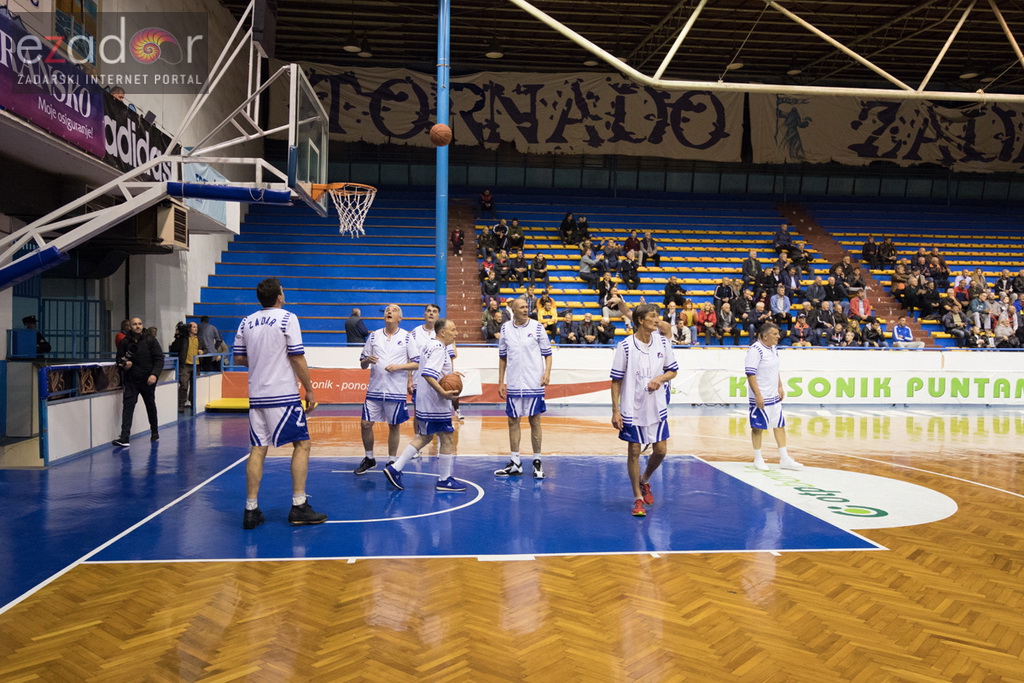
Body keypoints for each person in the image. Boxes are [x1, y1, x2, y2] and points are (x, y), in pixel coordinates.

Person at [232, 278, 324, 528]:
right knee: (302, 444)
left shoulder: (246, 321)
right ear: (279, 296)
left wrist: (261, 362)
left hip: (257, 395)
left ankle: (250, 510)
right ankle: (299, 505)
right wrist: (310, 390)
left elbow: (239, 357)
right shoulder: (287, 318)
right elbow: (297, 356)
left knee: (258, 449)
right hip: (282, 394)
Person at [610, 304, 679, 517]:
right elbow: (616, 380)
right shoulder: (626, 346)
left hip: (657, 405)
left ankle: (644, 480)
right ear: (641, 320)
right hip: (632, 405)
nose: (657, 320)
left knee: (661, 450)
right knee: (633, 451)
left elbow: (673, 371)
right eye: (652, 316)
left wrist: (659, 378)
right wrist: (615, 410)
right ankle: (637, 498)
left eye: (657, 316)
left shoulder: (662, 342)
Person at [384, 318, 464, 493]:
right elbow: (428, 374)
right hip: (434, 402)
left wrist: (449, 373)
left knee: (426, 437)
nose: (456, 333)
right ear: (443, 332)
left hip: (425, 400)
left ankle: (395, 468)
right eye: (453, 330)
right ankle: (444, 480)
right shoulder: (439, 348)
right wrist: (443, 393)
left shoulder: (429, 345)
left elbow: (430, 370)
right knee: (447, 436)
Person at [353, 304, 417, 476]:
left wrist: (398, 367)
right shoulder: (373, 337)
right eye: (388, 310)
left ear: (400, 318)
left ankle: (392, 461)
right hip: (374, 389)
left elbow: (416, 363)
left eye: (394, 310)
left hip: (395, 390)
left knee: (394, 426)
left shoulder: (407, 337)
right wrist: (368, 359)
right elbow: (362, 364)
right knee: (365, 424)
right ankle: (369, 458)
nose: (389, 311)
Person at [495, 297, 553, 479]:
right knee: (513, 421)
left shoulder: (537, 327)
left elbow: (548, 354)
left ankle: (537, 461)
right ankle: (515, 461)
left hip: (533, 382)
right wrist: (500, 381)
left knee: (535, 421)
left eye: (526, 307)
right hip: (514, 383)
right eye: (520, 307)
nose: (525, 309)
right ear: (512, 310)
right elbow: (502, 357)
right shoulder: (505, 328)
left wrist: (547, 373)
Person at [745, 322, 801, 472]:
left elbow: (775, 369)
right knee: (758, 428)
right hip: (761, 396)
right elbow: (750, 374)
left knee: (779, 425)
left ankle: (784, 458)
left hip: (774, 395)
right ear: (765, 335)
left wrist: (780, 386)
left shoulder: (774, 349)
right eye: (775, 334)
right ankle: (758, 458)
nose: (778, 337)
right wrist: (758, 395)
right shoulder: (755, 350)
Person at [112, 317, 164, 448]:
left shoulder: (150, 340)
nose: (137, 326)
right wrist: (124, 365)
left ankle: (155, 432)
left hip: (147, 380)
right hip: (131, 380)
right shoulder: (124, 342)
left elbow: (159, 359)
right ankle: (124, 437)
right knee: (128, 407)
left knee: (150, 405)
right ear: (130, 326)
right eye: (134, 324)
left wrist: (154, 375)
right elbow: (118, 359)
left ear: (142, 326)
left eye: (140, 324)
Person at [169, 321, 207, 413]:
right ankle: (181, 405)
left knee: (194, 386)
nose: (195, 329)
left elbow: (206, 349)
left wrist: (203, 352)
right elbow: (173, 348)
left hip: (196, 365)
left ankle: (193, 404)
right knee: (184, 386)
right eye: (193, 327)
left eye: (196, 327)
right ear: (189, 328)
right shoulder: (182, 338)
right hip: (184, 365)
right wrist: (177, 336)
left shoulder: (200, 339)